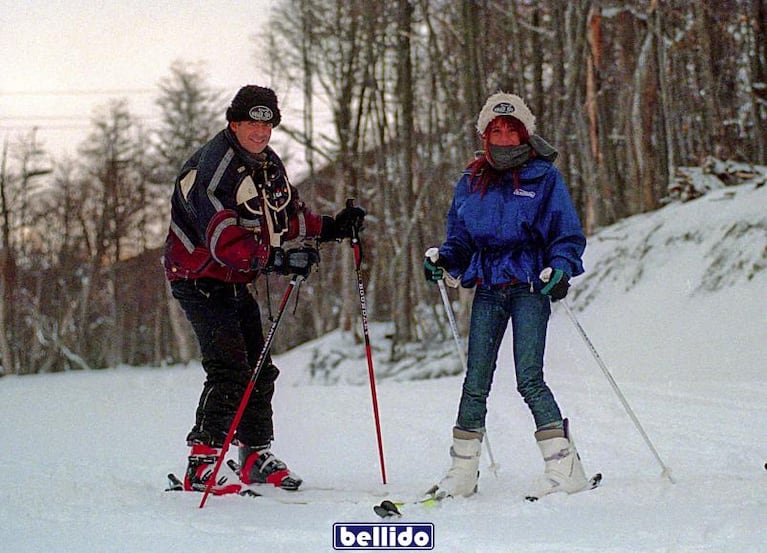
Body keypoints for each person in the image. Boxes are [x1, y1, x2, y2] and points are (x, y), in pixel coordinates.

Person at [163, 85, 365, 493]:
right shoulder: (213, 168)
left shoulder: (267, 164)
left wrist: (330, 227)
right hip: (199, 276)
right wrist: (275, 260)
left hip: (236, 279)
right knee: (230, 369)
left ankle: (254, 455)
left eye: (267, 123)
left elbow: (284, 216)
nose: (260, 131)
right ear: (233, 122)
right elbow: (224, 242)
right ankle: (202, 462)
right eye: (251, 122)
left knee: (260, 369)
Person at [423, 92, 590, 500]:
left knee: (529, 378)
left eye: (510, 129)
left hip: (530, 285)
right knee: (475, 379)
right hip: (488, 288)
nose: (502, 136)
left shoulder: (544, 178)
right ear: (485, 135)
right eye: (495, 130)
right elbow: (459, 239)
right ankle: (462, 471)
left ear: (524, 134)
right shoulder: (470, 180)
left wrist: (562, 266)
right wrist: (444, 258)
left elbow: (566, 232)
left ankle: (564, 466)